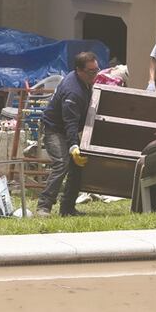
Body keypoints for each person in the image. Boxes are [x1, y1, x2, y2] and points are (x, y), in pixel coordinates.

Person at [36, 52, 100, 217]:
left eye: (97, 70)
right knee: (62, 163)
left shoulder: (84, 80)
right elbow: (69, 122)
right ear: (79, 70)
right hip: (54, 129)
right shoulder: (73, 91)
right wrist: (73, 146)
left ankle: (67, 208)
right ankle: (43, 207)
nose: (95, 75)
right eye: (91, 72)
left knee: (77, 168)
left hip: (66, 128)